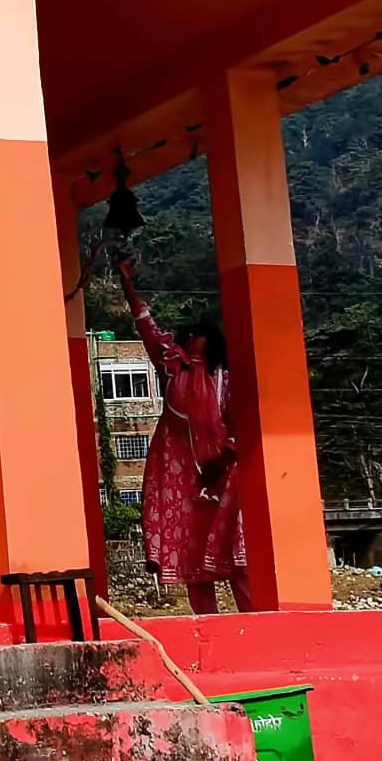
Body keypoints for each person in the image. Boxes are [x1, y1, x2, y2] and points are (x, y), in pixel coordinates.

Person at [107, 243, 246, 610]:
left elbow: (238, 421)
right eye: (186, 339)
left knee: (236, 554)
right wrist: (127, 283)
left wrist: (224, 460)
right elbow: (145, 325)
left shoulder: (225, 378)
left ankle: (256, 623)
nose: (190, 343)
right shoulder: (172, 369)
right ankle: (208, 627)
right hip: (180, 473)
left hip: (224, 471)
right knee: (191, 556)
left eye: (197, 339)